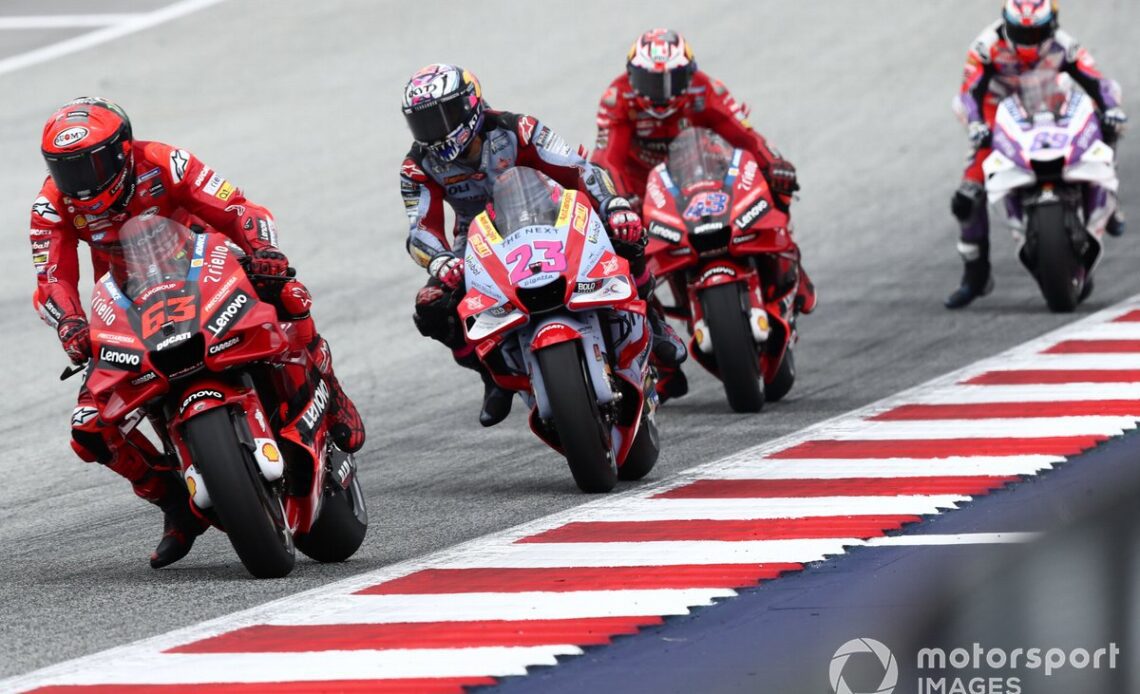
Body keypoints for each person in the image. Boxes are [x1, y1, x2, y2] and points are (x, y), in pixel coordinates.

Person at [31, 97, 366, 568]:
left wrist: (262, 251)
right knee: (90, 427)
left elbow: (238, 207)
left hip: (205, 267)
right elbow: (51, 280)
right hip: (130, 305)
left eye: (93, 164)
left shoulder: (164, 160)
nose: (81, 183)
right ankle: (173, 502)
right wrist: (69, 321)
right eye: (68, 170)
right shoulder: (53, 205)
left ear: (123, 149)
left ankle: (332, 394)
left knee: (288, 295)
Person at [399, 63, 686, 425]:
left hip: (550, 209)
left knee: (626, 231)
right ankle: (492, 376)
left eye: (443, 116)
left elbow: (580, 168)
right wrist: (439, 261)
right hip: (478, 235)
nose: (435, 131)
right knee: (431, 306)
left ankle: (653, 320)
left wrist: (613, 206)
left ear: (470, 104)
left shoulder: (518, 128)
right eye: (423, 122)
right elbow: (420, 228)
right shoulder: (416, 166)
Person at [591, 28, 817, 399]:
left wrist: (774, 162)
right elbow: (607, 157)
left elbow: (742, 133)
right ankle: (660, 365)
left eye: (671, 79)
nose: (660, 92)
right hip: (643, 187)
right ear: (633, 77)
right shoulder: (618, 98)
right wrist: (617, 201)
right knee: (623, 263)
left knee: (773, 183)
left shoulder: (704, 88)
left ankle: (792, 268)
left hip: (700, 172)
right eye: (651, 80)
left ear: (689, 72)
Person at [946, 0, 1128, 309]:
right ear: (1005, 24)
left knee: (1106, 124)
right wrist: (976, 123)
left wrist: (1112, 108)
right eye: (1020, 32)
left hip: (1050, 105)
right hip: (999, 114)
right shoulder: (985, 47)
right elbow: (970, 91)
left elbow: (1095, 80)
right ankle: (976, 276)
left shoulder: (1064, 45)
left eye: (1037, 33)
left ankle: (1107, 197)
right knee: (967, 198)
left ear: (1052, 26)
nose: (1028, 42)